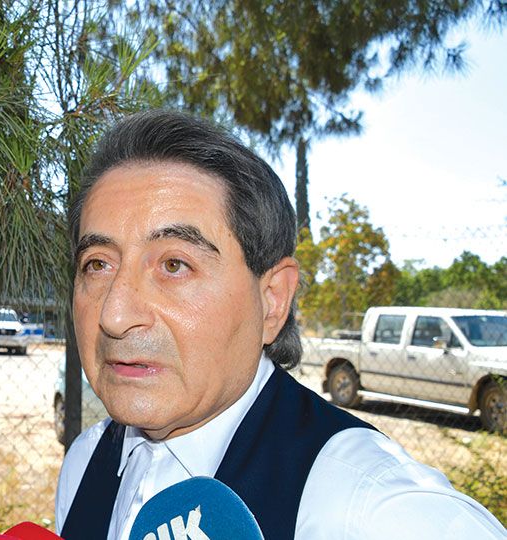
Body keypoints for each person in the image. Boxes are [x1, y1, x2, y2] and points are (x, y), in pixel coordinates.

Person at [54, 110, 505, 540]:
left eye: (174, 264)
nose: (114, 315)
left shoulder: (369, 508)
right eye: (97, 264)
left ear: (272, 300)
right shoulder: (85, 462)